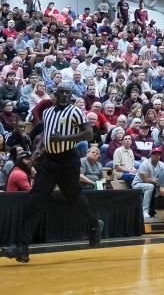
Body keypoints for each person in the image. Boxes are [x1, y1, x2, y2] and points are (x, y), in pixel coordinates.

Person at [1, 83, 103, 263]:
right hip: (48, 160)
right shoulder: (47, 112)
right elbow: (46, 137)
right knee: (35, 200)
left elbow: (88, 134)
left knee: (73, 196)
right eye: (61, 92)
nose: (64, 96)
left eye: (67, 93)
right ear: (54, 94)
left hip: (68, 159)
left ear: (71, 95)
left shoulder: (75, 112)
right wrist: (36, 154)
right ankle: (22, 248)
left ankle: (94, 222)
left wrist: (65, 138)